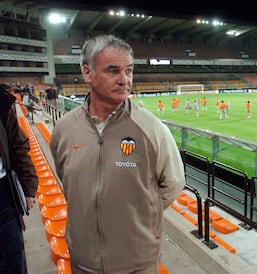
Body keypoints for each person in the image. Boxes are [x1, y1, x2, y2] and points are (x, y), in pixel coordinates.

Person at [50, 35, 186, 274]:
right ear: (87, 73)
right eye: (113, 71)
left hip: (137, 262)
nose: (124, 80)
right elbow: (68, 181)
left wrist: (136, 215)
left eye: (129, 71)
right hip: (83, 260)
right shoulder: (64, 129)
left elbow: (173, 184)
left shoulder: (151, 129)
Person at [0, 85, 38, 274]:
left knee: (13, 259)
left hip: (3, 193)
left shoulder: (2, 103)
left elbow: (19, 146)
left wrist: (29, 187)